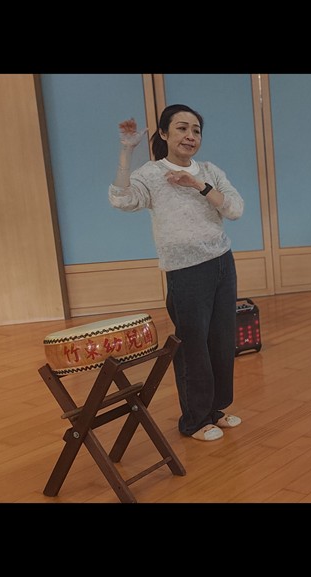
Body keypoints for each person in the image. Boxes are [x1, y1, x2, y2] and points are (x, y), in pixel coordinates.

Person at [110, 105, 245, 442]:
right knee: (193, 345)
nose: (190, 136)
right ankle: (195, 421)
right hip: (185, 270)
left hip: (222, 262)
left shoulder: (210, 171)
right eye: (182, 128)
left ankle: (215, 410)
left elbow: (235, 209)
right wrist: (127, 151)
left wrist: (198, 184)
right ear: (164, 134)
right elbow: (122, 200)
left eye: (196, 130)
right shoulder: (152, 174)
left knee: (221, 341)